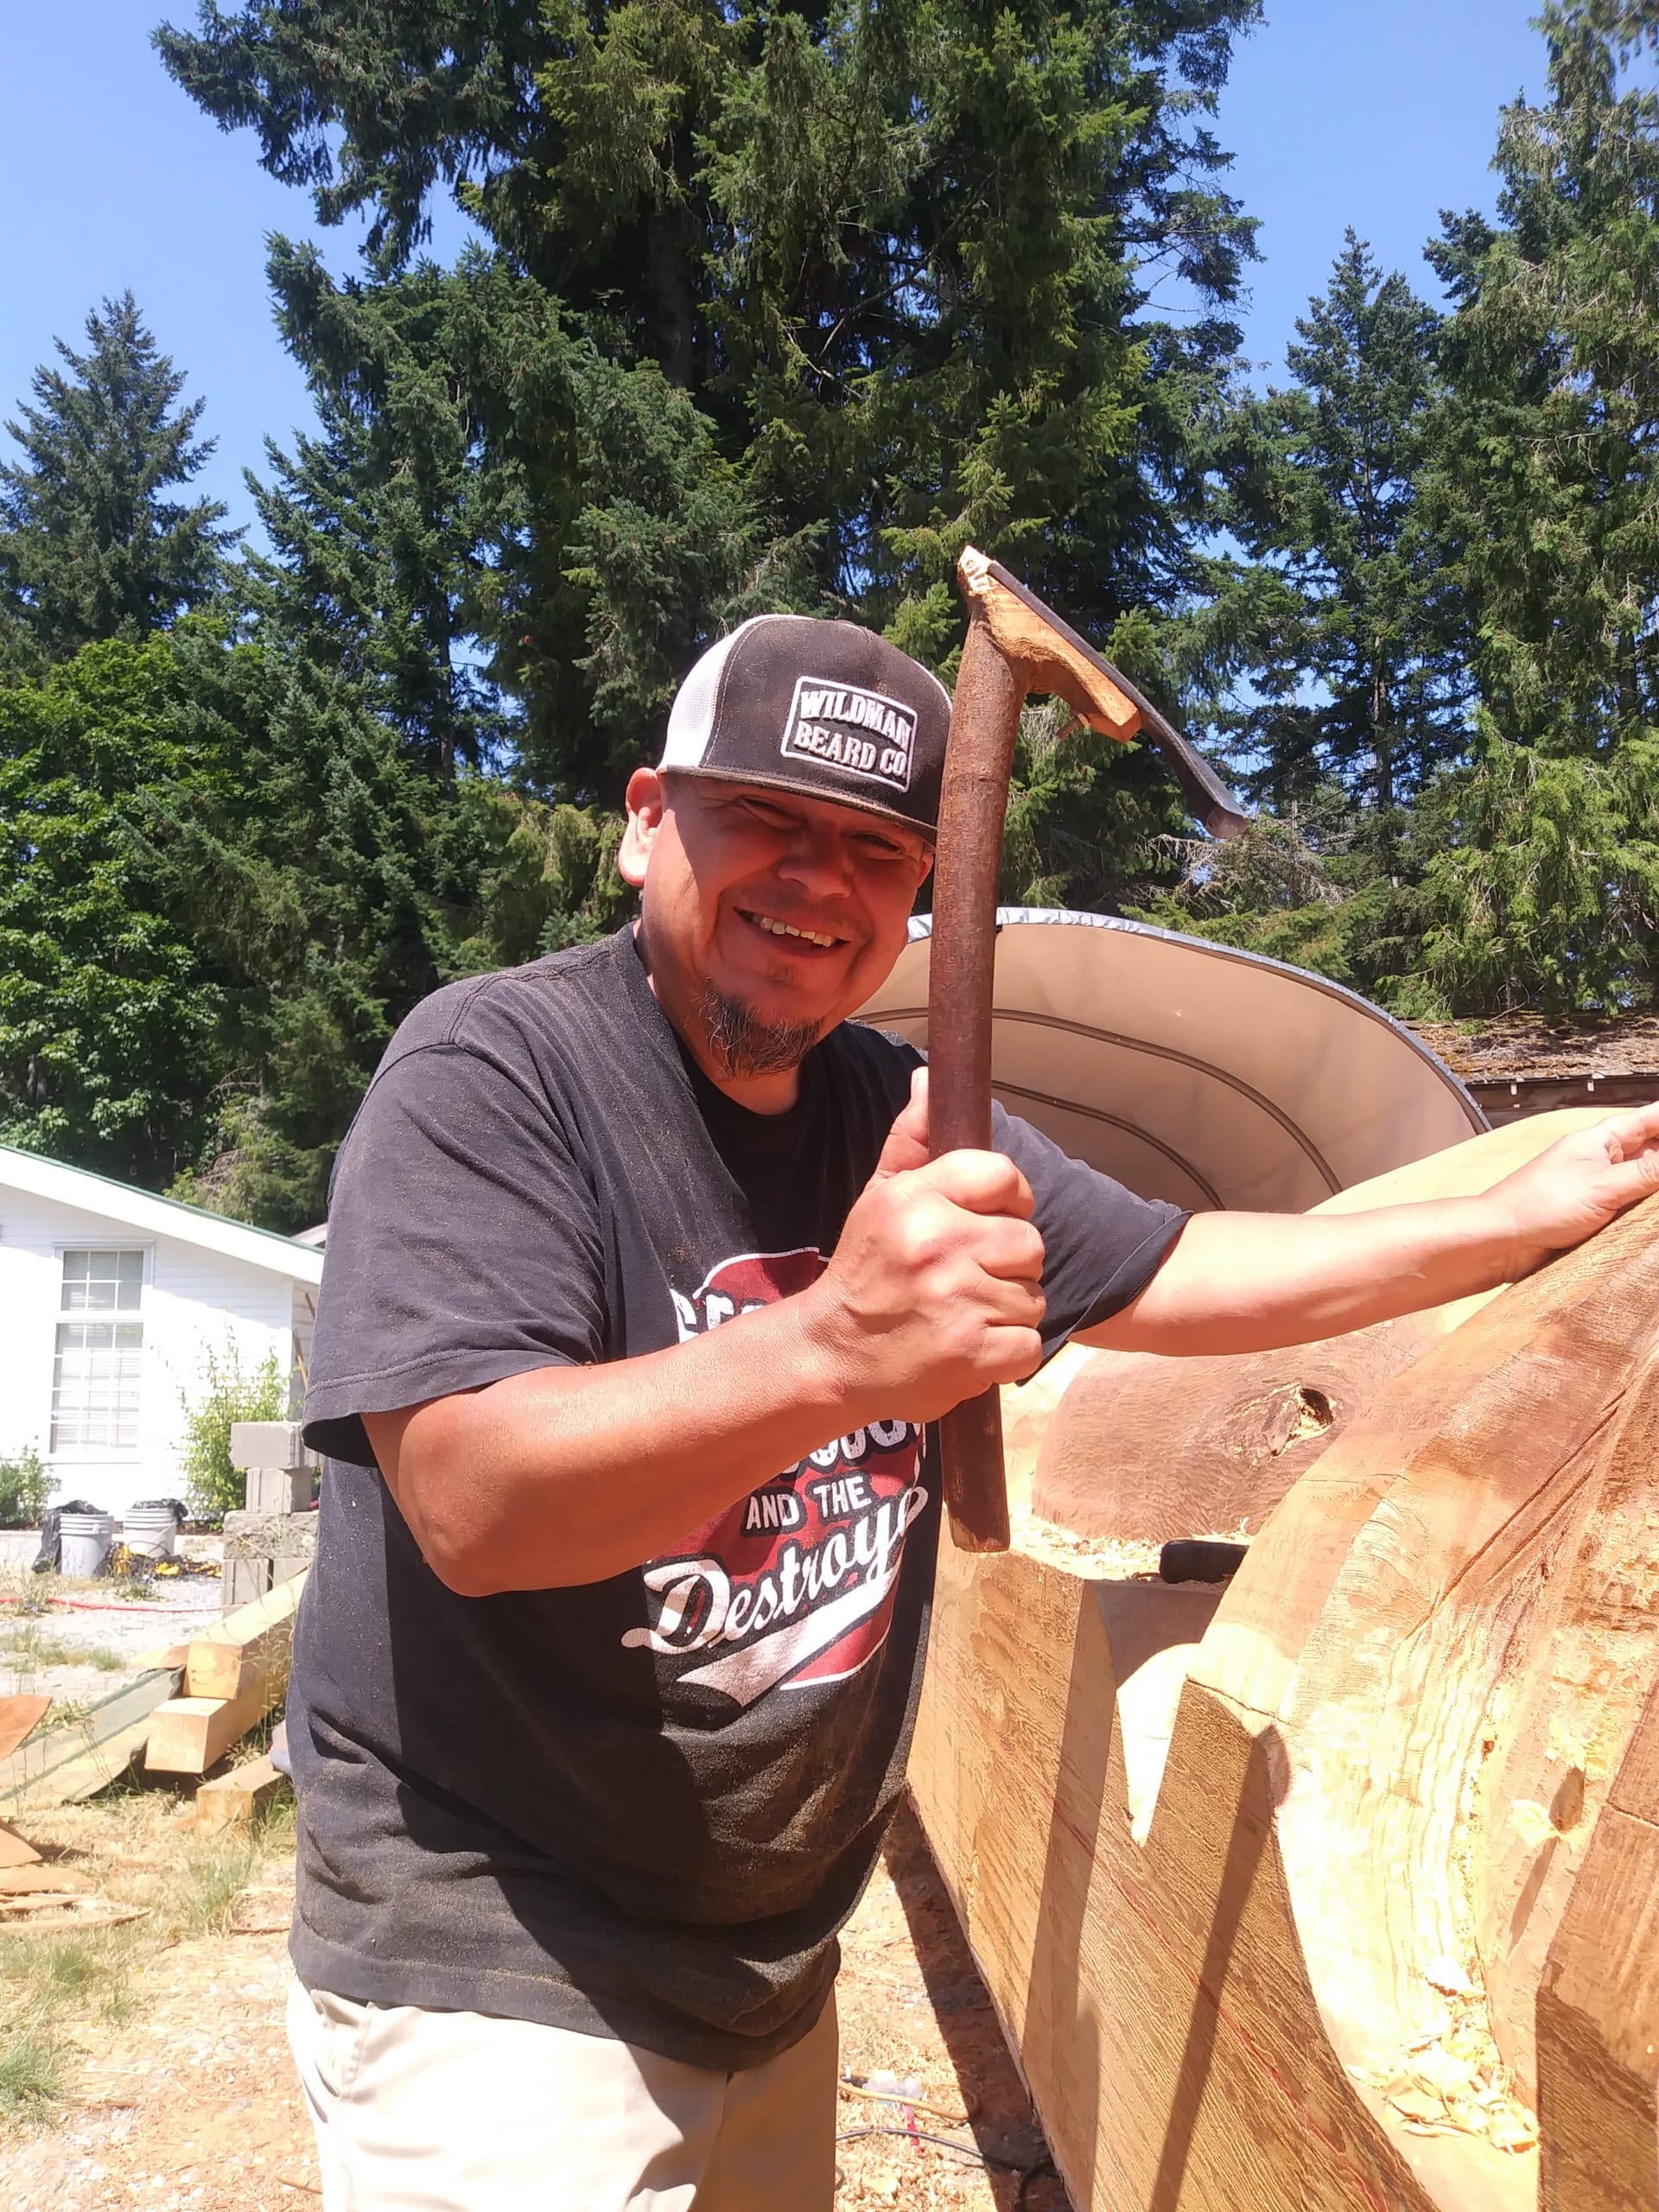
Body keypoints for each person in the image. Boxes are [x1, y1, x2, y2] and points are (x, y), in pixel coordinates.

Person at [284, 613, 1659, 2211]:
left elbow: (1177, 1265)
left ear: (920, 892)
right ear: (647, 821)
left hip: (767, 1961)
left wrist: (1514, 1216)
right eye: (769, 821)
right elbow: (472, 1501)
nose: (819, 882)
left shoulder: (902, 1113)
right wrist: (834, 1350)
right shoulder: (495, 1073)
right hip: (499, 1951)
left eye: (875, 849)